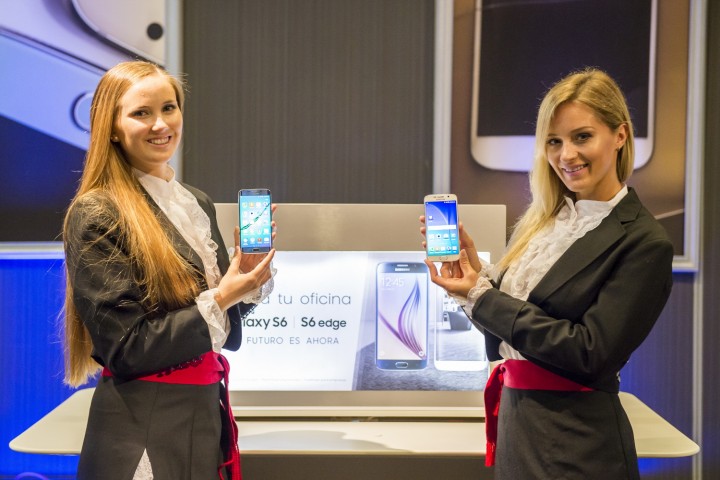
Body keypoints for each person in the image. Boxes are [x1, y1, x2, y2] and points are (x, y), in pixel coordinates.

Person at [421, 68, 673, 479]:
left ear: (620, 135)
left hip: (577, 441)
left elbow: (590, 352)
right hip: (518, 425)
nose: (566, 155)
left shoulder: (645, 241)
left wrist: (483, 296)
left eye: (582, 137)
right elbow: (509, 331)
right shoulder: (542, 223)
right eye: (554, 141)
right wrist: (473, 279)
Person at [63, 60, 276, 480]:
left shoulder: (195, 201)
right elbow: (128, 349)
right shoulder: (97, 213)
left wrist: (248, 281)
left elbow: (215, 323)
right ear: (112, 127)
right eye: (141, 113)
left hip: (204, 414)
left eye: (169, 108)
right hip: (141, 426)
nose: (161, 124)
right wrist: (224, 295)